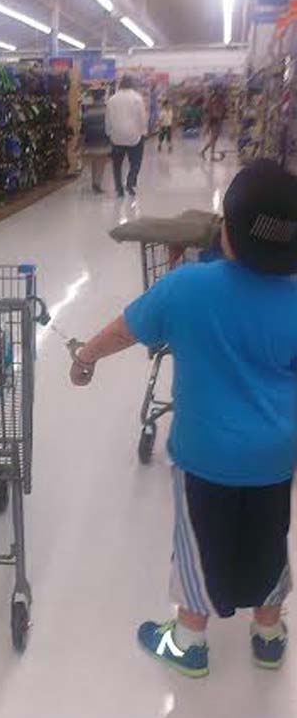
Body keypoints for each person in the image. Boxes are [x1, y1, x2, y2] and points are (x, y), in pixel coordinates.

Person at [70, 159, 297, 679]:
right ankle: (268, 634)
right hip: (276, 456)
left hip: (206, 456)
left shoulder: (188, 287)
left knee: (199, 546)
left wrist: (85, 359)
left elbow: (123, 331)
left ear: (227, 233)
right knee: (268, 540)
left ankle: (190, 643)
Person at [105, 74, 148, 199]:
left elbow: (107, 118)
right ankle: (130, 182)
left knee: (117, 164)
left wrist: (109, 133)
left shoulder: (112, 99)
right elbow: (142, 117)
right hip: (134, 135)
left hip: (116, 136)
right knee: (135, 162)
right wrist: (143, 131)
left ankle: (119, 189)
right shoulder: (137, 99)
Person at [81, 87, 111, 193]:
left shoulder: (87, 109)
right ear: (103, 97)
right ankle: (98, 183)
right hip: (103, 137)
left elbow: (83, 126)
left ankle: (94, 182)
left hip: (91, 138)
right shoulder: (107, 109)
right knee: (102, 161)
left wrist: (81, 142)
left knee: (94, 161)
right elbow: (109, 124)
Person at [200, 87, 227, 160]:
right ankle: (207, 153)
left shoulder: (216, 101)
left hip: (216, 121)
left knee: (214, 139)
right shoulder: (214, 101)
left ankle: (206, 153)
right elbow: (213, 113)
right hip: (214, 121)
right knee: (213, 139)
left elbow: (220, 113)